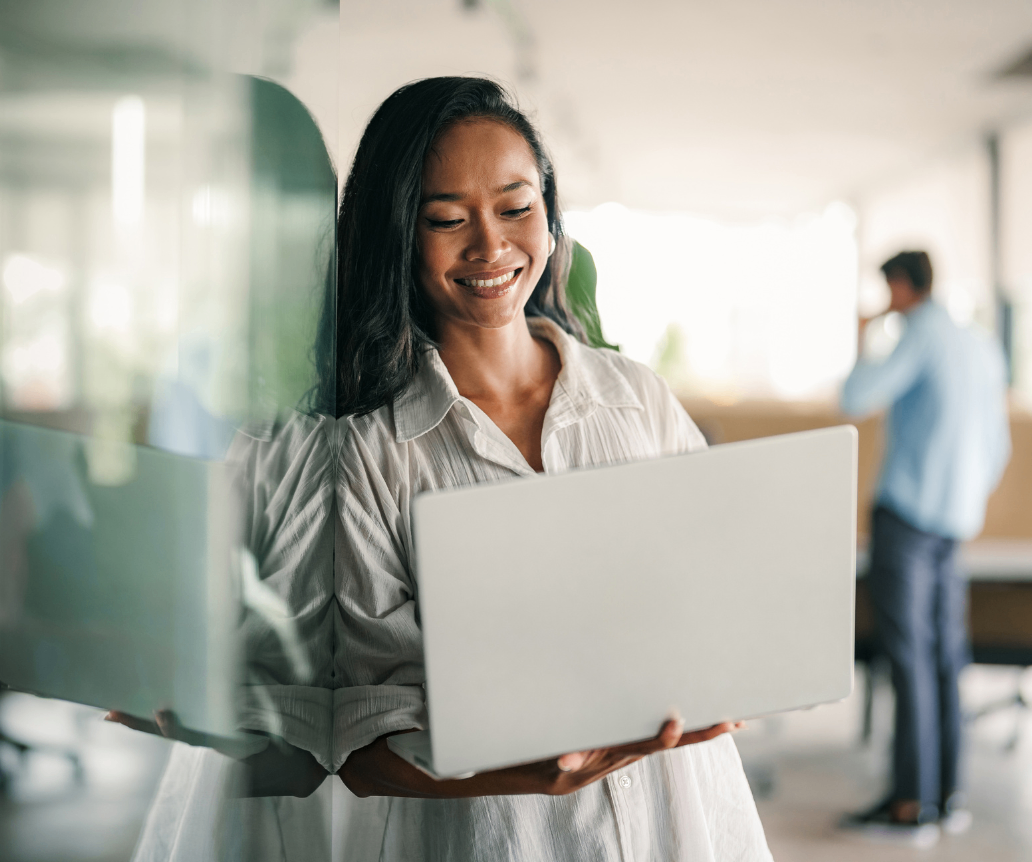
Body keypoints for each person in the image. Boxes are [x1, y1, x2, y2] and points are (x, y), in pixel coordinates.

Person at [330, 76, 772, 861]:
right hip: (504, 837)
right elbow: (357, 745)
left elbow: (720, 599)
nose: (490, 247)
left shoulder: (634, 398)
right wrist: (531, 775)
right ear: (397, 232)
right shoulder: (369, 453)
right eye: (445, 219)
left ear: (550, 210)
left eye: (516, 206)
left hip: (683, 818)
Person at [839, 251, 1011, 845]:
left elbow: (856, 398)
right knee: (943, 659)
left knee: (908, 659)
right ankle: (946, 797)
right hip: (953, 525)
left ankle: (911, 804)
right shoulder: (979, 343)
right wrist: (963, 502)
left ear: (900, 286)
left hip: (908, 519)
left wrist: (864, 336)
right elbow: (998, 446)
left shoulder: (918, 334)